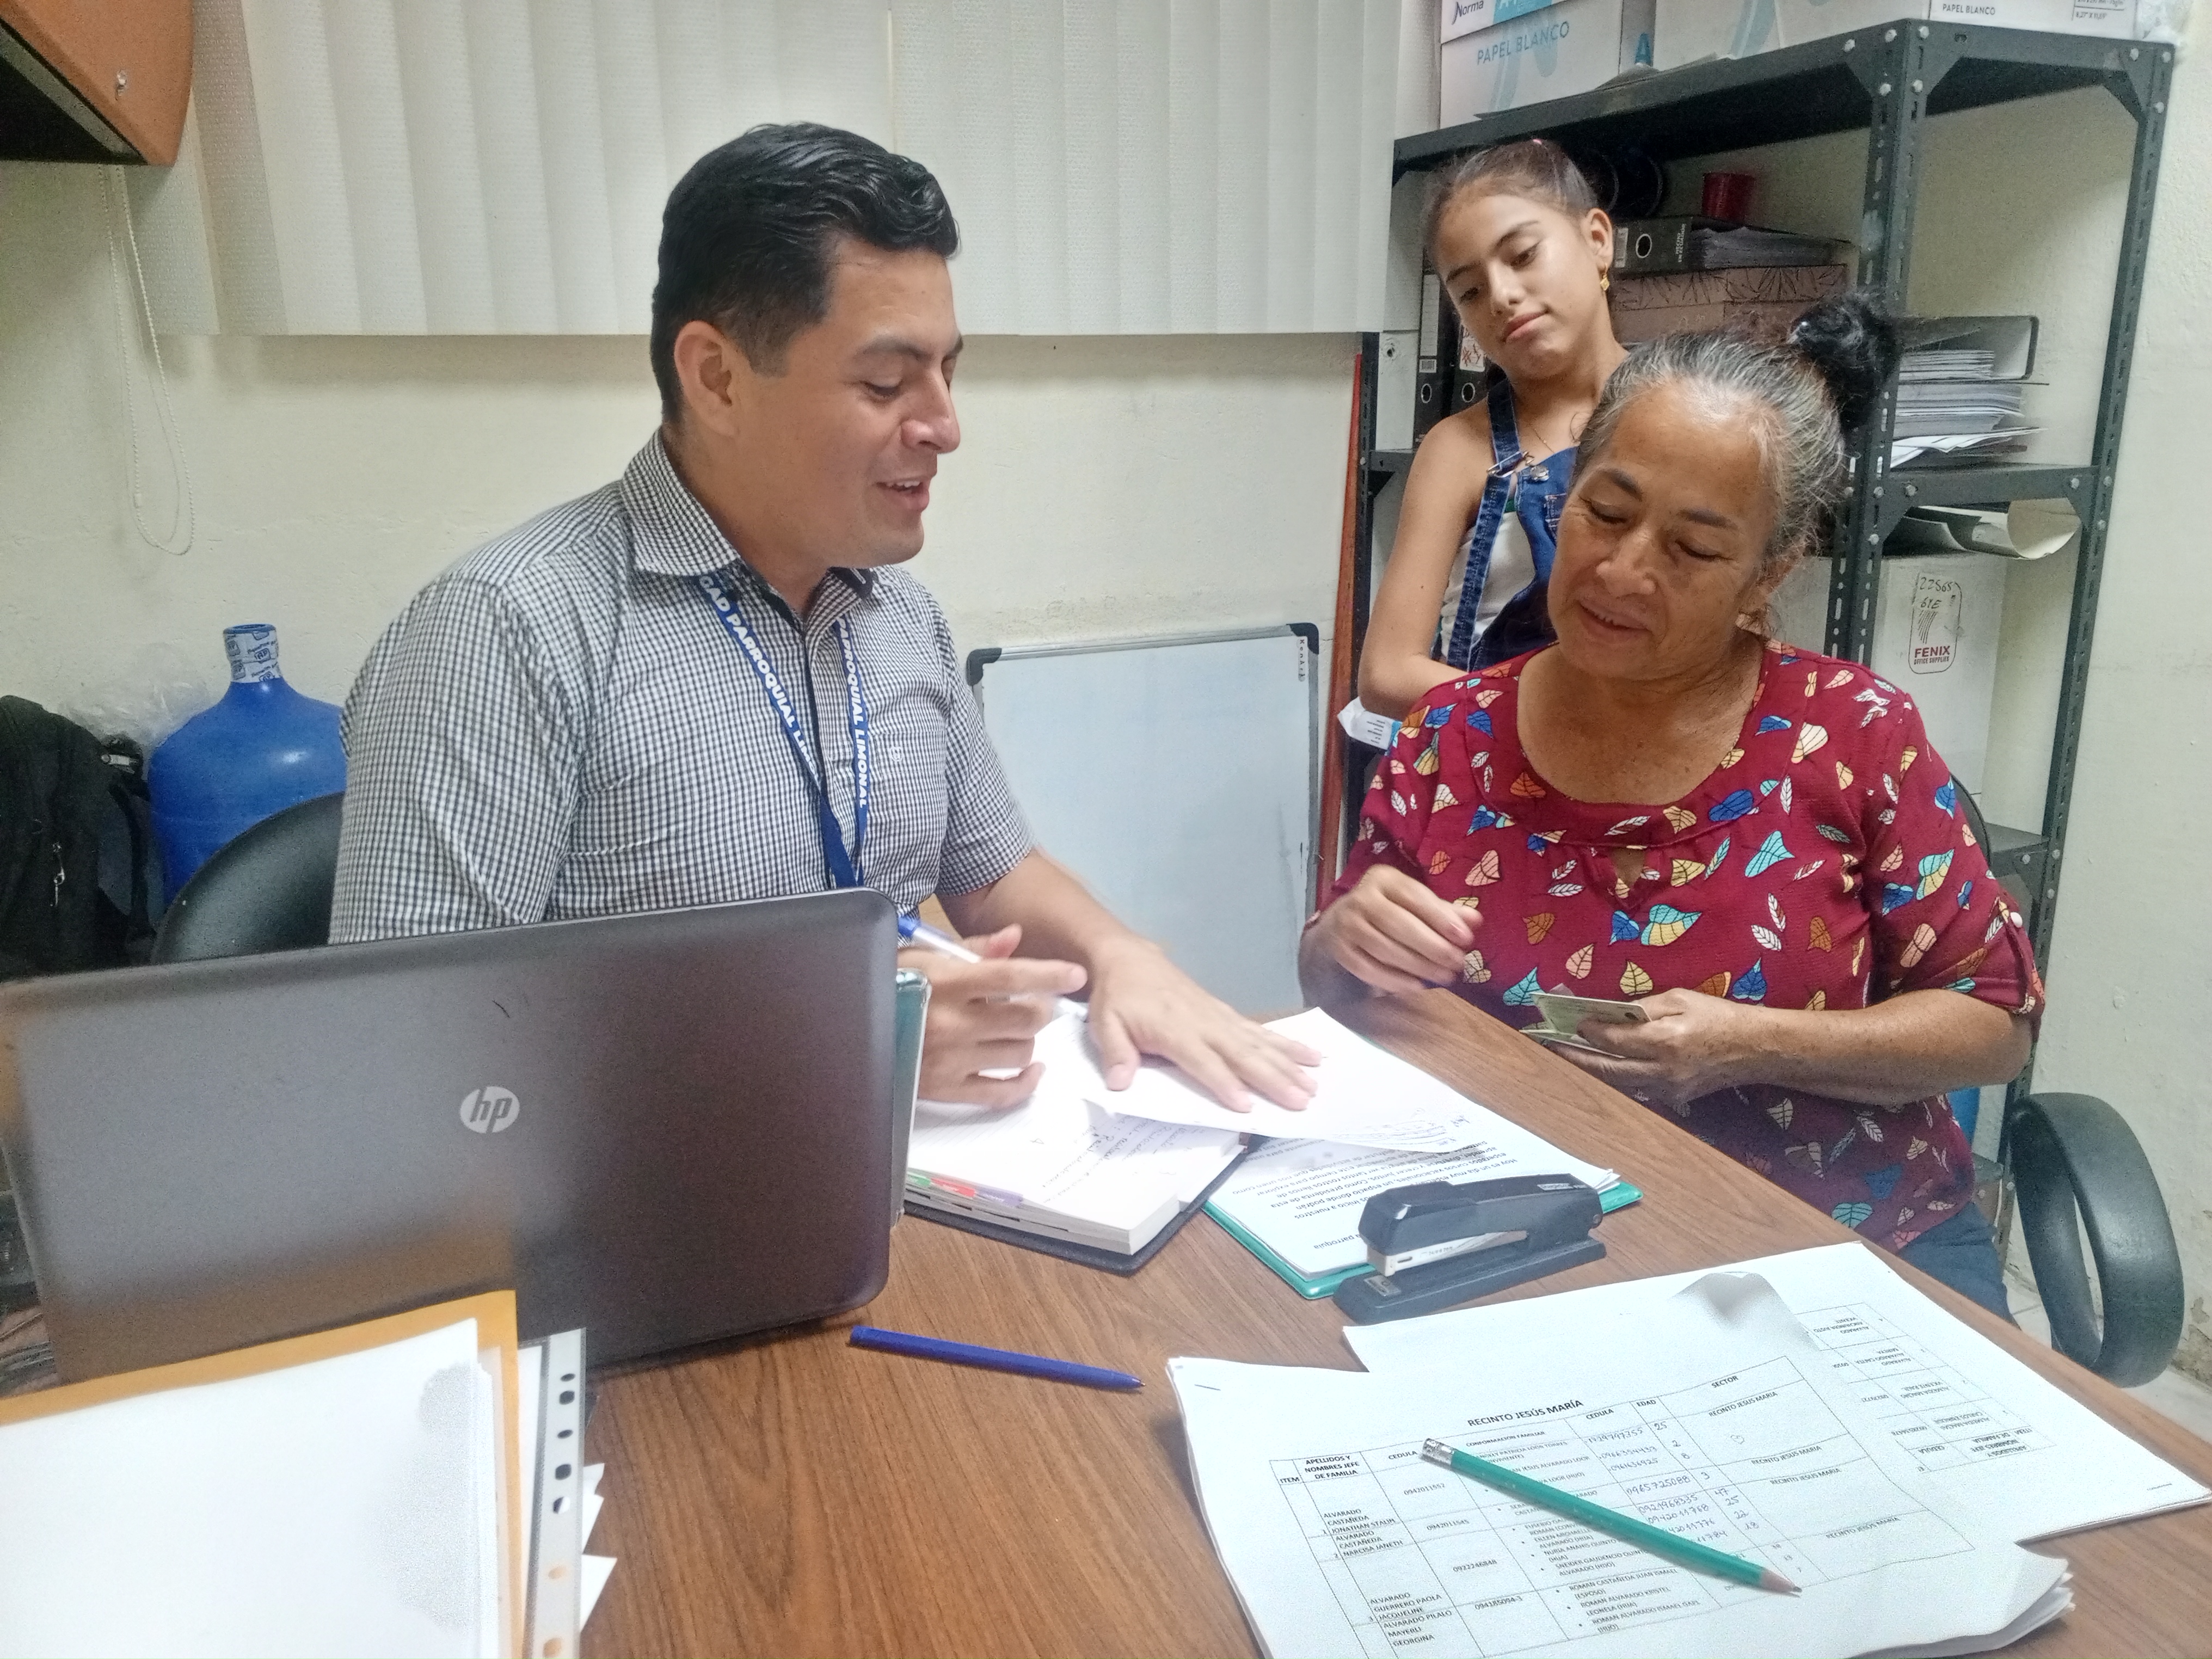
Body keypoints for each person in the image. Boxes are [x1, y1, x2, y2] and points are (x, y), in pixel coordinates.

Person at [331, 123, 1317, 1114]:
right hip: (657, 1192)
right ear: (716, 378)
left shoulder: (899, 614)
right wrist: (832, 1041)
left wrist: (1121, 955)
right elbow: (410, 1044)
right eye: (886, 383)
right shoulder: (507, 630)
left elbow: (991, 871)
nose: (944, 426)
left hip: (930, 1164)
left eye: (947, 371)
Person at [1300, 299, 2038, 1317]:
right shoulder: (1450, 734)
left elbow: (1993, 1024)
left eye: (1691, 549)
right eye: (1605, 512)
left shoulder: (1852, 732)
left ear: (1768, 572)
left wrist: (1750, 1042)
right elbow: (1333, 983)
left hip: (1841, 1241)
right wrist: (1342, 940)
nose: (1620, 571)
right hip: (1536, 1243)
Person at [1359, 140, 1630, 720]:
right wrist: (1556, 716)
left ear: (1597, 240)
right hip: (1498, 750)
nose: (1502, 297)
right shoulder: (1457, 448)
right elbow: (1386, 672)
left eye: (1523, 255)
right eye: (1470, 292)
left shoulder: (1688, 418)